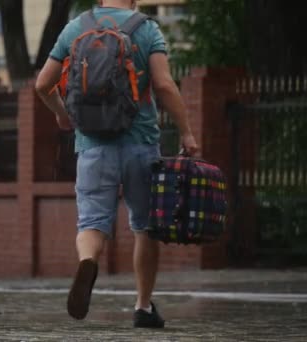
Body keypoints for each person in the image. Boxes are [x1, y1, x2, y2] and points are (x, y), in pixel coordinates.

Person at [35, 0, 199, 328]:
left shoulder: (76, 28)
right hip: (140, 145)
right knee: (145, 227)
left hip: (93, 146)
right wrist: (187, 133)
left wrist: (63, 114)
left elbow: (42, 84)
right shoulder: (146, 28)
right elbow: (165, 85)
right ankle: (142, 306)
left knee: (92, 223)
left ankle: (87, 262)